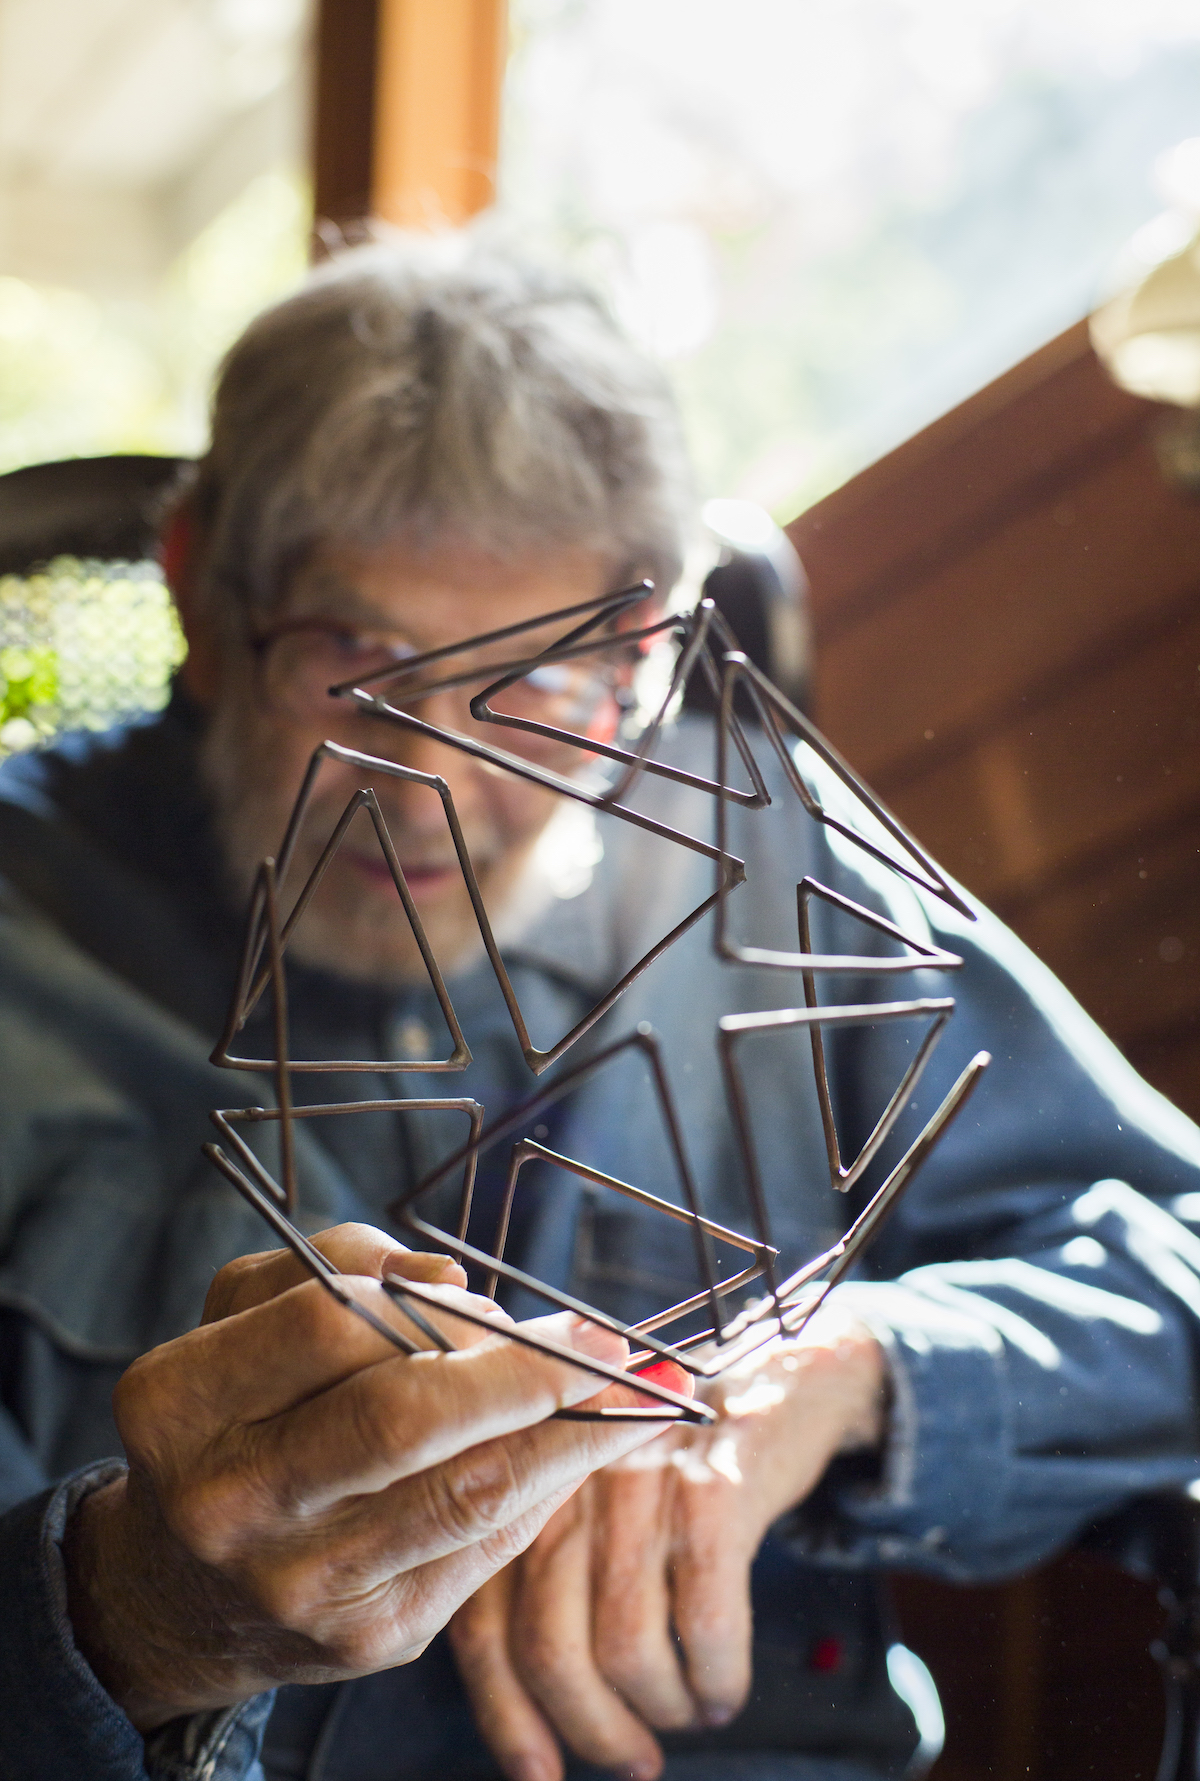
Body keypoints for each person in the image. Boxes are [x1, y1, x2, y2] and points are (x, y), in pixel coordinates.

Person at [2, 232, 1200, 1781]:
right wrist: (138, 1619)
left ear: (649, 654)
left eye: (552, 685)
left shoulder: (766, 852)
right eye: (354, 663)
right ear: (199, 602)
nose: (432, 790)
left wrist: (853, 1369)